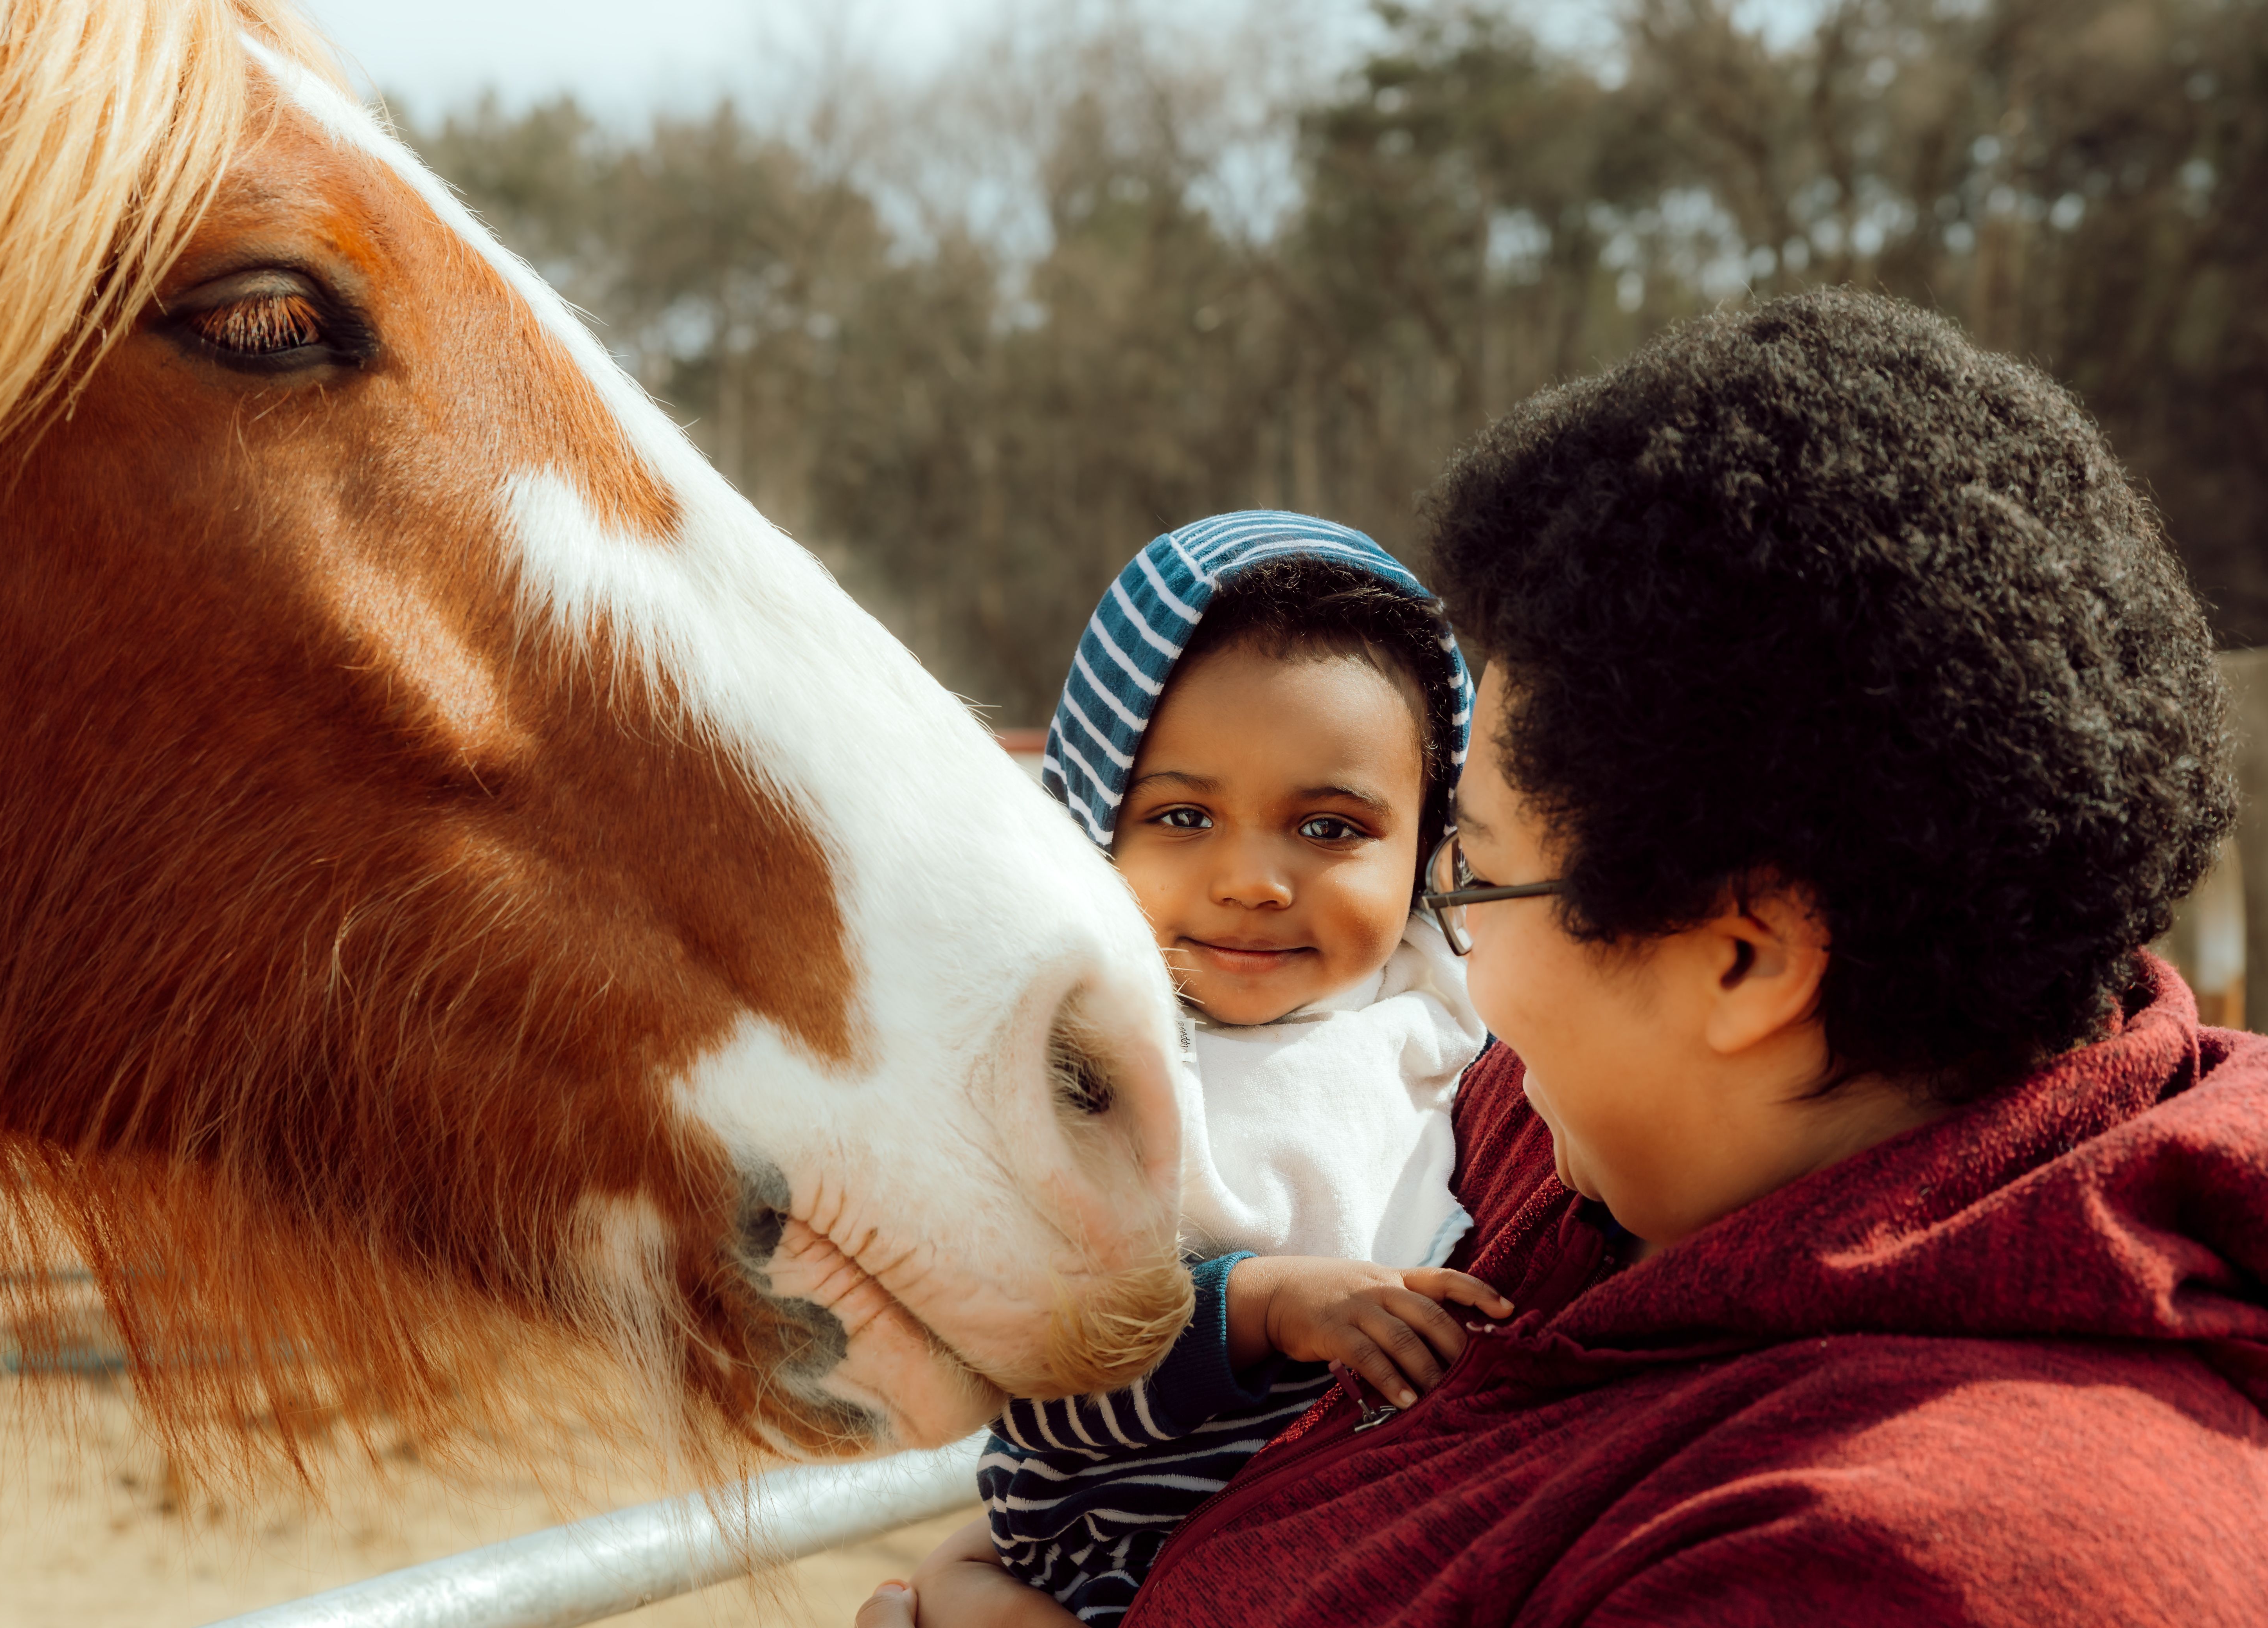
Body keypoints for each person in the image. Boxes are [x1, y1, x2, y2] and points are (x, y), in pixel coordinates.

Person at [864, 291, 2268, 1628]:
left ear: (1741, 962)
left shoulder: (1898, 1562)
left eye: (1470, 872)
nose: (1457, 957)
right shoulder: (1599, 1159)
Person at [910, 514, 1517, 1627]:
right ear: (1094, 821)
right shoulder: (1077, 1075)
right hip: (1117, 1571)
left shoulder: (1453, 1018)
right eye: (1183, 816)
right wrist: (1261, 1307)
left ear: (1432, 840)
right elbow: (1039, 1390)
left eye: (1330, 829)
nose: (1252, 881)